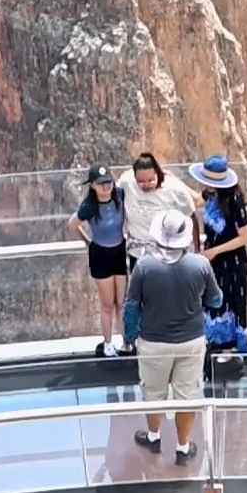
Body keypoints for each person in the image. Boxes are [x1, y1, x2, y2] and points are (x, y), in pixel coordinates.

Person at [129, 210, 216, 462]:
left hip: (153, 342)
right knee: (187, 395)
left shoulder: (144, 266)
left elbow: (131, 305)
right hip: (191, 341)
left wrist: (130, 334)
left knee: (153, 392)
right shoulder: (200, 264)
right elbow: (215, 298)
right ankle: (183, 447)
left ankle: (154, 437)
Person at [190, 155, 247, 343]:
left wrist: (216, 250)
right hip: (213, 259)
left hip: (231, 260)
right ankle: (215, 339)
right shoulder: (212, 194)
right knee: (213, 297)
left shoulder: (235, 200)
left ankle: (228, 343)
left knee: (230, 297)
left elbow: (244, 236)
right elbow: (195, 200)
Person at [74, 164, 131, 354]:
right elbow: (72, 224)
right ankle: (107, 343)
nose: (106, 187)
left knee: (121, 302)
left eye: (108, 182)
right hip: (100, 254)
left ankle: (127, 341)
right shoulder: (89, 206)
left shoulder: (120, 196)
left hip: (119, 250)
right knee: (108, 304)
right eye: (101, 184)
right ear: (92, 186)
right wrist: (88, 242)